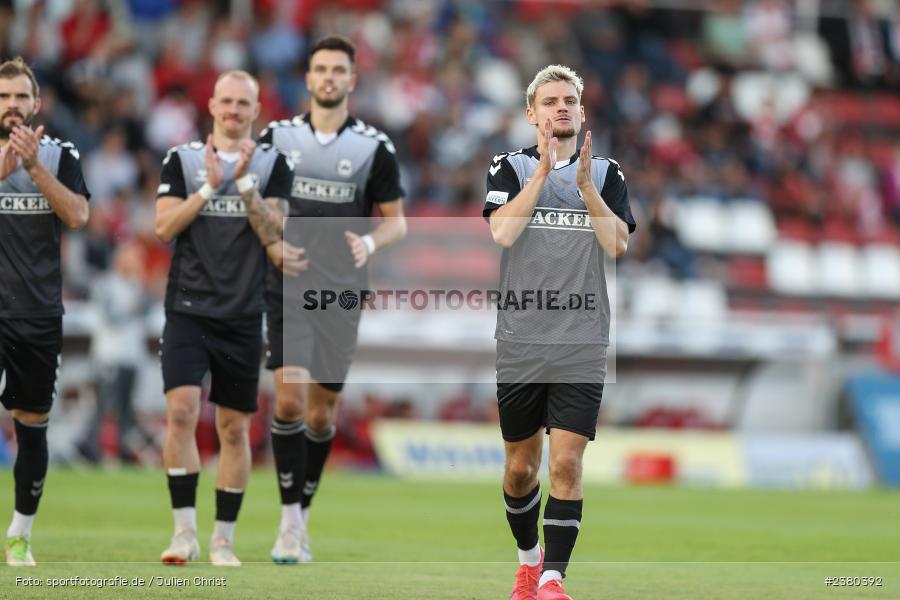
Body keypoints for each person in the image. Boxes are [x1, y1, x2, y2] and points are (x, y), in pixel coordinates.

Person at [483, 65, 636, 600]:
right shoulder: (509, 167)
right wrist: (543, 177)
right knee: (520, 469)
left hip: (582, 339)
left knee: (566, 463)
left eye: (569, 100)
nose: (560, 108)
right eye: (549, 102)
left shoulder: (608, 173)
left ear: (583, 110)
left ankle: (552, 580)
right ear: (532, 114)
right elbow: (502, 231)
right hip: (522, 339)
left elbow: (617, 246)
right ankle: (529, 563)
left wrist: (589, 189)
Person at [258, 35, 407, 564]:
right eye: (320, 68)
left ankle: (303, 512)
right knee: (290, 401)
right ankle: (288, 523)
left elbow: (397, 224)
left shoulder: (373, 147)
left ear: (351, 80)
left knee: (322, 415)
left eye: (337, 70)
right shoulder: (276, 137)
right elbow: (254, 203)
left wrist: (367, 242)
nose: (327, 77)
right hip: (289, 285)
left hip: (342, 290)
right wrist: (273, 244)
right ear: (308, 77)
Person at [154, 70, 294, 567]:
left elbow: (276, 225)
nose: (234, 110)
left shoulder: (274, 163)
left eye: (244, 103)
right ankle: (184, 533)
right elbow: (164, 226)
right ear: (211, 105)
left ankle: (222, 540)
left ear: (256, 110)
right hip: (188, 309)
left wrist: (243, 187)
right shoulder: (183, 160)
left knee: (234, 430)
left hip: (242, 313)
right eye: (227, 101)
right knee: (182, 413)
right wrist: (210, 189)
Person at [0, 57, 90, 566]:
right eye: (4, 96)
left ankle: (20, 534)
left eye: (20, 96)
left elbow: (78, 215)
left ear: (37, 104)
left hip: (36, 311)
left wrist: (33, 168)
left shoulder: (60, 155)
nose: (12, 105)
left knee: (31, 423)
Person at [78, 240, 150, 464]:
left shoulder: (137, 286)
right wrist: (131, 307)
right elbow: (110, 317)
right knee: (105, 406)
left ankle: (123, 451)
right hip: (110, 355)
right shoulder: (106, 285)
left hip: (131, 355)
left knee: (126, 407)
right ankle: (91, 449)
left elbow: (145, 312)